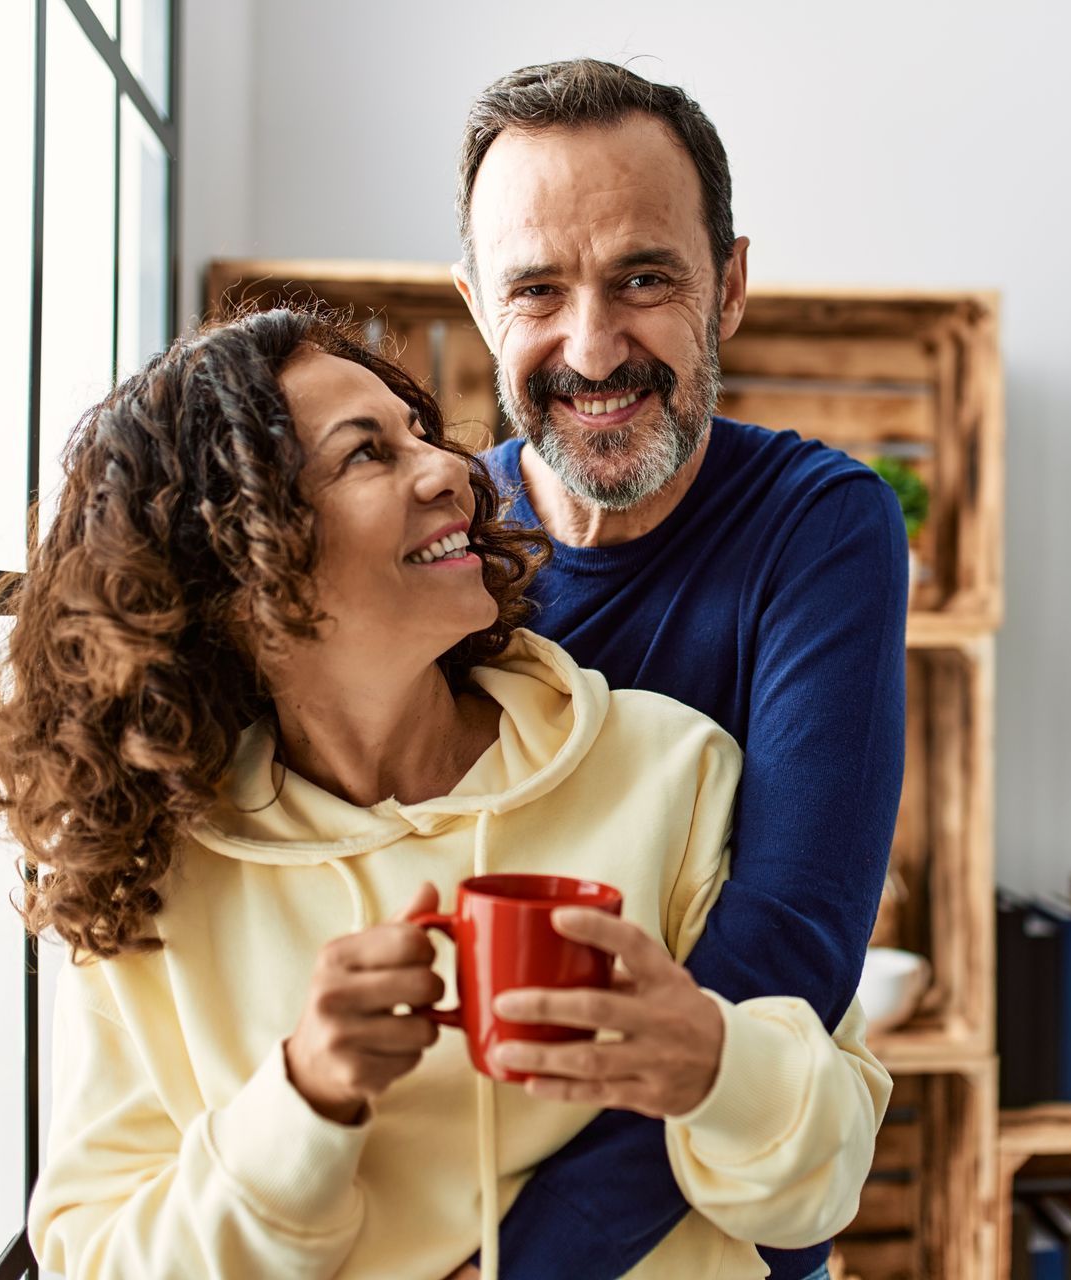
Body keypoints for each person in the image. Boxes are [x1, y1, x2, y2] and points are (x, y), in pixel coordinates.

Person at [0, 307, 890, 1279]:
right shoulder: (156, 879)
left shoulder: (662, 765)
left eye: (417, 431)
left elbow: (823, 1191)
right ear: (237, 558)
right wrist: (300, 1099)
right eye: (367, 453)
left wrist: (713, 1064)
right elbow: (95, 1257)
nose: (452, 467)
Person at [446, 59, 909, 1280]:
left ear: (731, 286)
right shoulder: (429, 544)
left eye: (643, 277)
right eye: (537, 289)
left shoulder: (823, 526)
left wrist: (516, 1267)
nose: (592, 348)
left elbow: (784, 954)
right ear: (479, 305)